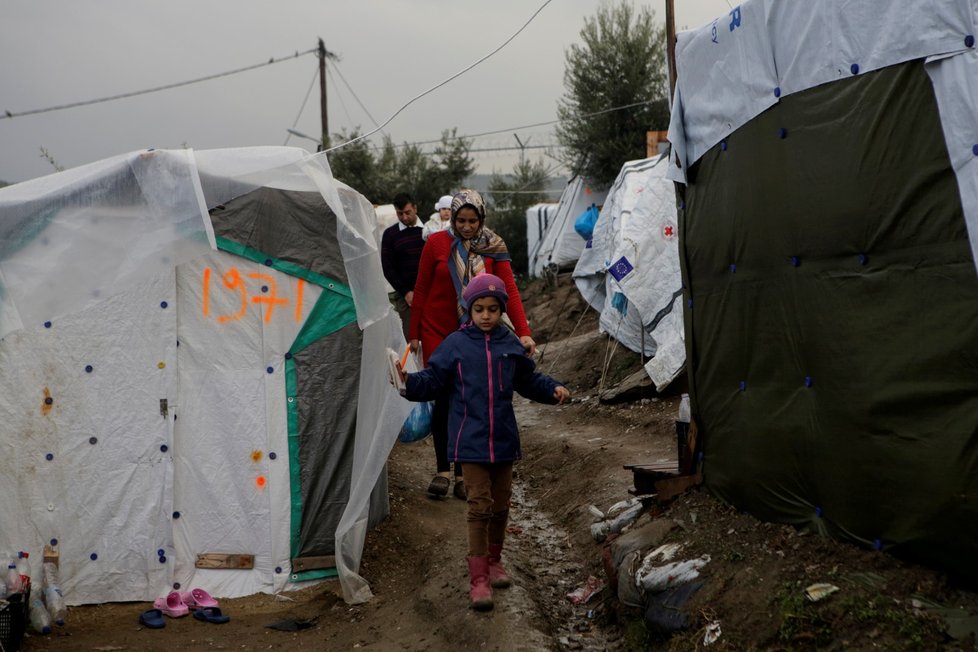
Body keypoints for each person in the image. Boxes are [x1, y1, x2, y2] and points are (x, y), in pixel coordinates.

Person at [397, 273, 570, 611]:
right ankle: (478, 578)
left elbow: (529, 380)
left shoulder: (509, 344)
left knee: (501, 505)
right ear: (469, 309)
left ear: (501, 310)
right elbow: (433, 380)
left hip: (503, 439)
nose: (487, 315)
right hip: (470, 442)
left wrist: (552, 389)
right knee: (479, 506)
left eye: (493, 309)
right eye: (480, 309)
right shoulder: (455, 345)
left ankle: (494, 561)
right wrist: (407, 383)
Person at [409, 189, 537, 499]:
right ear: (451, 218)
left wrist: (523, 331)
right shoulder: (436, 243)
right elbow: (422, 289)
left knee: (467, 398)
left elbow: (512, 292)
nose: (466, 227)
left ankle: (464, 474)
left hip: (476, 332)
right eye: (461, 220)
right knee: (442, 396)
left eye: (473, 221)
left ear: (481, 219)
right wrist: (413, 334)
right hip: (437, 330)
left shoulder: (494, 246)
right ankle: (442, 469)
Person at [381, 193, 424, 339]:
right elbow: (388, 267)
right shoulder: (390, 234)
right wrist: (406, 292)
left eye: (407, 213)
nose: (404, 217)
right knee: (410, 340)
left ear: (415, 209)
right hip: (405, 297)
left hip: (429, 294)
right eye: (400, 214)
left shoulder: (428, 232)